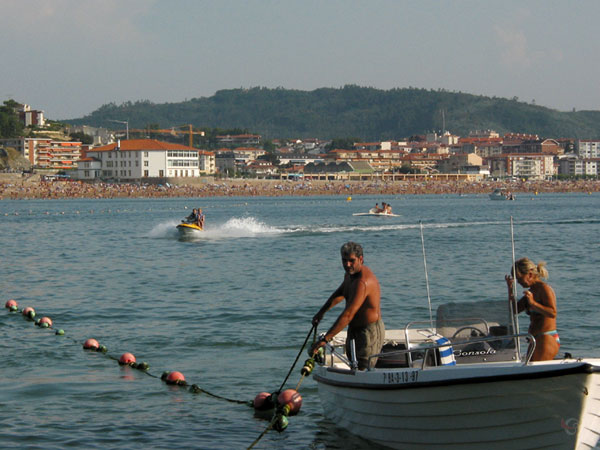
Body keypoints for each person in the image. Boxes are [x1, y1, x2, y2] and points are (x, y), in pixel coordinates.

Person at [310, 242, 385, 370]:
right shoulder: (350, 275)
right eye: (344, 260)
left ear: (361, 259)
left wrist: (326, 339)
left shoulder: (363, 282)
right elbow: (341, 293)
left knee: (364, 369)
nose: (347, 264)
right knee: (353, 365)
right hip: (353, 330)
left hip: (368, 331)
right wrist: (321, 312)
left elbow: (348, 314)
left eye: (351, 261)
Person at [505, 257, 559, 361]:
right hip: (535, 339)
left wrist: (533, 304)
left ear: (529, 275)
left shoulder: (544, 289)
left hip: (546, 338)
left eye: (520, 279)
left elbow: (552, 313)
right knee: (528, 367)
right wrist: (510, 289)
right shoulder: (530, 292)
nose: (519, 282)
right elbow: (514, 310)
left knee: (536, 370)